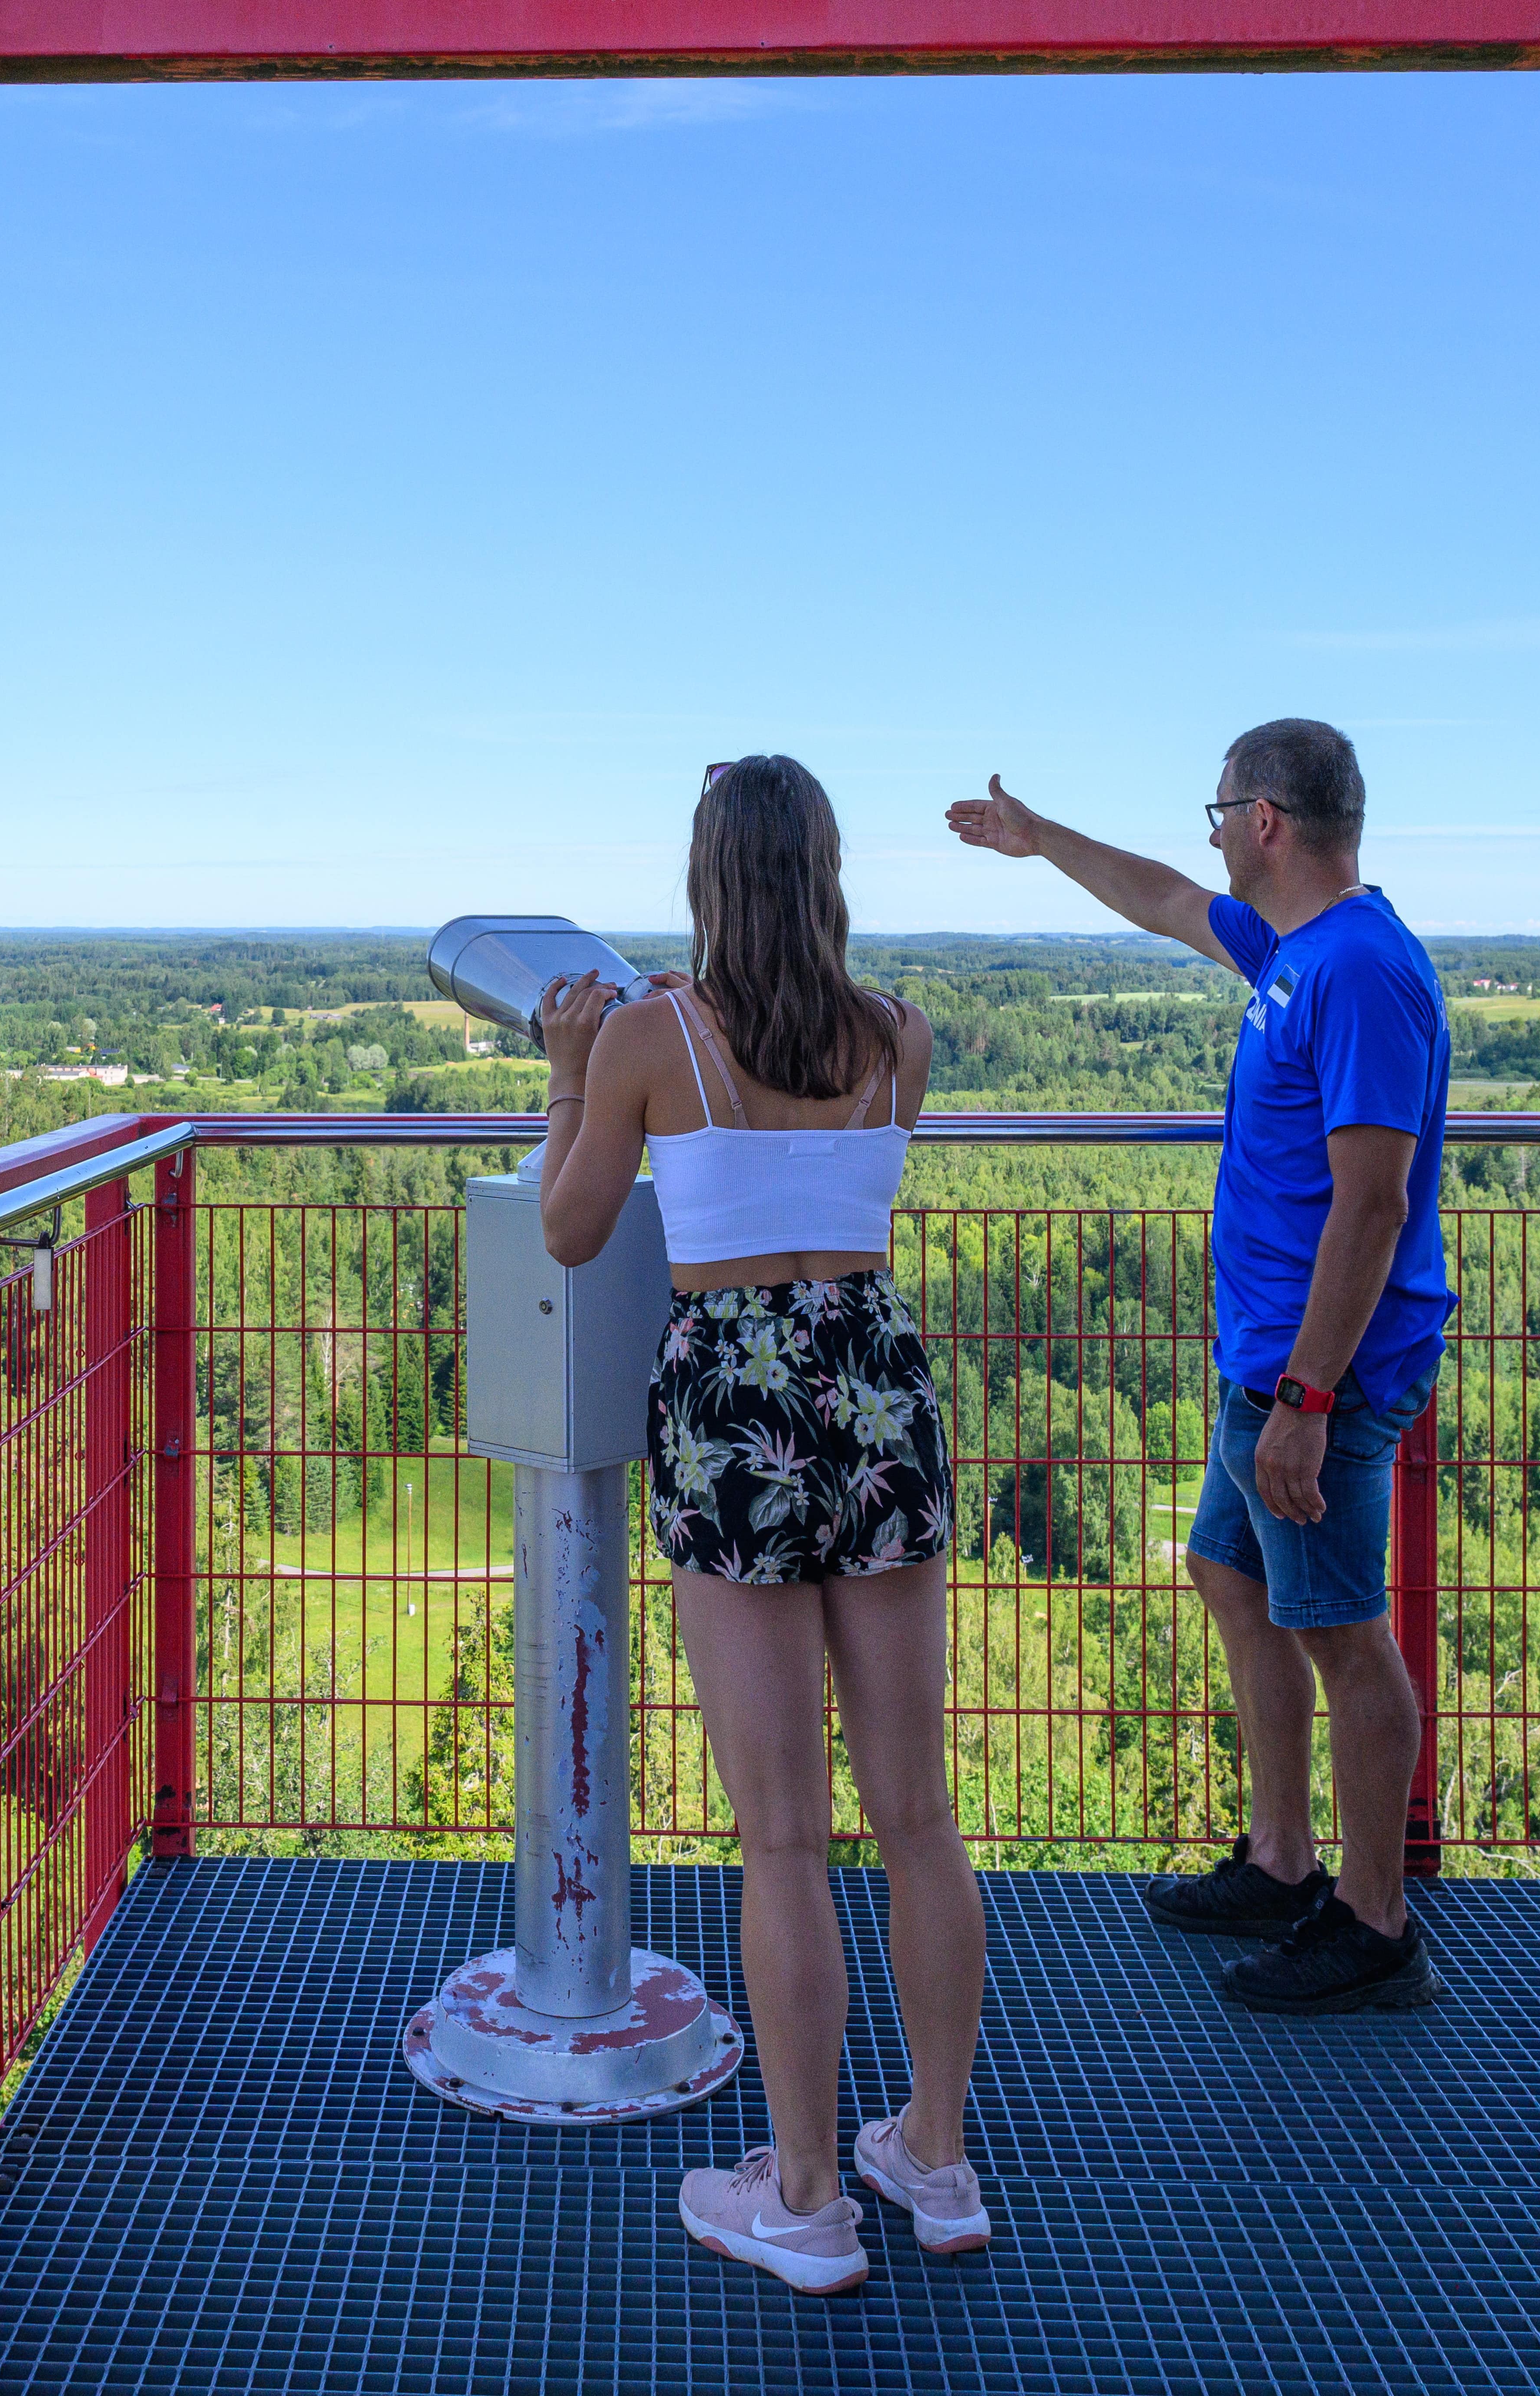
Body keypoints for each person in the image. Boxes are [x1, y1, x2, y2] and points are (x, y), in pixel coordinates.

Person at [537, 754, 989, 2298]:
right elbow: (840, 1218)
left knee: (783, 1835)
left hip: (735, 1401)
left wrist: (566, 1072)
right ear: (829, 870)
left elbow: (572, 1226)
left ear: (709, 875)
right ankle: (932, 2153)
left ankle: (803, 2197)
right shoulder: (901, 1041)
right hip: (876, 1385)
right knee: (918, 1817)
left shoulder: (659, 1037)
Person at [946, 719, 1451, 2013]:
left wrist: (1307, 1402)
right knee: (1227, 1571)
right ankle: (1285, 1863)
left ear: (1268, 818)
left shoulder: (1358, 974)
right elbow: (1167, 901)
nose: (1212, 835)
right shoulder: (1294, 949)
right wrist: (1038, 836)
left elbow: (1374, 1206)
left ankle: (1373, 1924)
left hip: (1313, 1381)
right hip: (1272, 1371)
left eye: (1220, 811)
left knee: (1343, 1635)